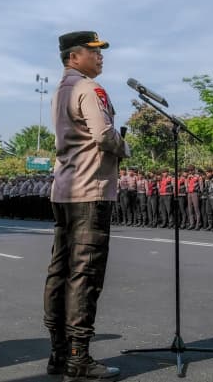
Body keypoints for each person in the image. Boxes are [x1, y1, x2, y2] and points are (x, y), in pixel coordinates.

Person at [43, 31, 128, 381]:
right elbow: (104, 135)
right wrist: (125, 146)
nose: (101, 57)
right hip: (90, 189)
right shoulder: (89, 89)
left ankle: (59, 354)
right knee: (85, 275)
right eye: (95, 52)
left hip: (64, 190)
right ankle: (79, 358)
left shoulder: (62, 89)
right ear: (74, 56)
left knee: (60, 272)